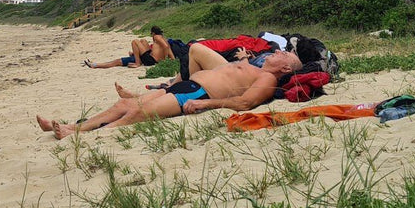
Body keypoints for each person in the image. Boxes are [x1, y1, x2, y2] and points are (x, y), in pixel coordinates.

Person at [38, 49, 302, 139]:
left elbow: (245, 102)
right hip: (186, 87)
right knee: (124, 103)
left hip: (197, 93)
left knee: (137, 113)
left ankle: (80, 137)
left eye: (283, 55)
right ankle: (74, 127)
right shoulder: (257, 66)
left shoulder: (267, 78)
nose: (277, 52)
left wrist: (208, 103)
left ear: (286, 67)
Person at [83, 26, 170, 69]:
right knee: (143, 40)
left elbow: (166, 47)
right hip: (150, 59)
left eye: (151, 34)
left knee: (117, 61)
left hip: (149, 60)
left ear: (153, 33)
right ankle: (94, 64)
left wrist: (166, 60)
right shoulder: (162, 39)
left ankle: (94, 65)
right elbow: (165, 48)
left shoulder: (157, 37)